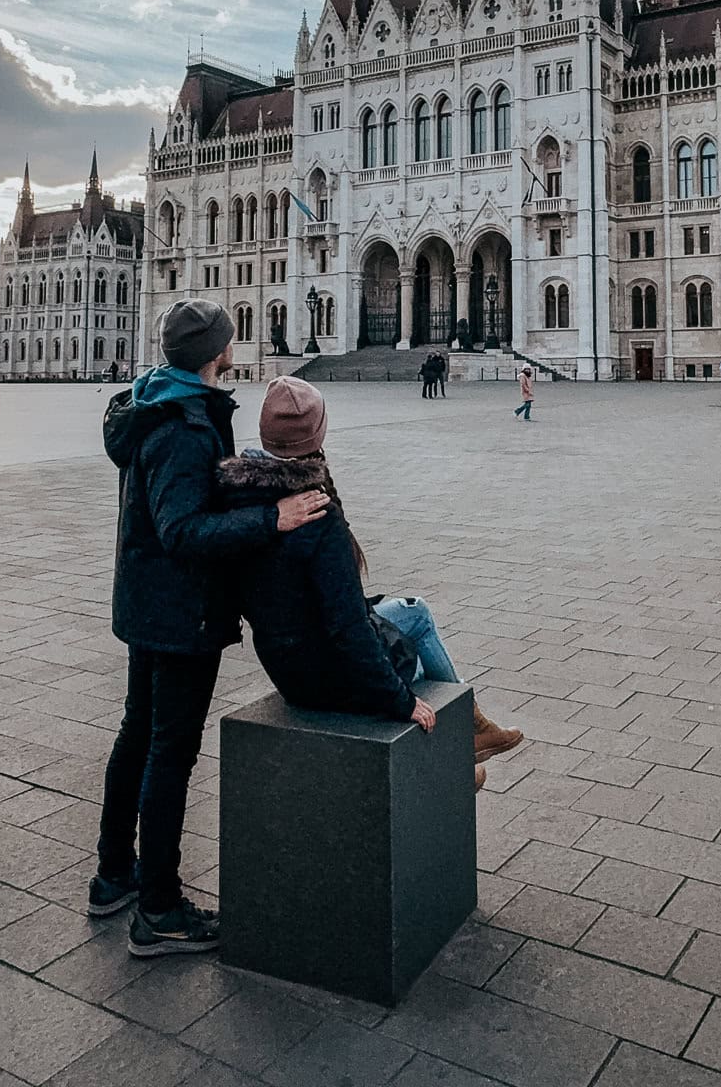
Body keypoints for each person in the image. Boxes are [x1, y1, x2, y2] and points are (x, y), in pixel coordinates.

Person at [92, 301, 329, 958]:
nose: (232, 347)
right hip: (179, 611)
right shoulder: (183, 422)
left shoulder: (158, 402)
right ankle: (160, 910)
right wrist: (271, 519)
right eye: (227, 340)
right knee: (169, 750)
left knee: (139, 734)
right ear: (213, 352)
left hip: (152, 603)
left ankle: (115, 874)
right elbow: (181, 530)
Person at [218, 377, 523, 785]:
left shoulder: (238, 499)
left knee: (411, 610)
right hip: (325, 671)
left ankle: (469, 728)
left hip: (284, 659)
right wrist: (401, 702)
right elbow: (347, 627)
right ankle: (457, 740)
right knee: (413, 630)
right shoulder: (314, 513)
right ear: (318, 434)